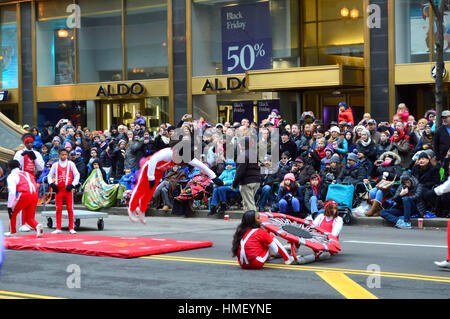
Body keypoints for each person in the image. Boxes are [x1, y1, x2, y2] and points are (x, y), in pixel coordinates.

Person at [4, 160, 43, 237]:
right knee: (29, 217)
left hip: (24, 194)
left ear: (9, 168)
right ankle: (37, 226)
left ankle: (12, 232)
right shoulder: (27, 173)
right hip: (35, 194)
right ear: (19, 166)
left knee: (12, 213)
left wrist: (9, 206)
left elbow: (12, 192)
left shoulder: (11, 176)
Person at [47, 148, 81, 234]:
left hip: (68, 190)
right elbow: (49, 176)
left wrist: (73, 185)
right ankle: (58, 228)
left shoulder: (71, 164)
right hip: (59, 190)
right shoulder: (55, 165)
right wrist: (52, 184)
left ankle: (71, 228)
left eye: (65, 155)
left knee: (70, 208)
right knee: (58, 209)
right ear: (59, 155)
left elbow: (77, 174)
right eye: (62, 154)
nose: (64, 156)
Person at [231, 137, 261, 212]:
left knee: (250, 204)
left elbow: (240, 171)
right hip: (256, 180)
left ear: (242, 145)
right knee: (247, 202)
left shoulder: (242, 155)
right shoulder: (254, 154)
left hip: (247, 182)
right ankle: (247, 221)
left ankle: (253, 221)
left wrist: (234, 183)